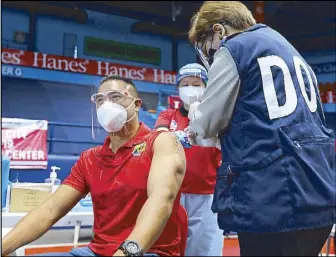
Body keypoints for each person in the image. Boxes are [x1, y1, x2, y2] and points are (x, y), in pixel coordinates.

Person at [185, 1, 336, 256]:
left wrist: (195, 116)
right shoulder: (289, 49)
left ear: (219, 30)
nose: (209, 53)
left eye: (206, 45)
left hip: (273, 196)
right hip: (318, 190)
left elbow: (206, 123)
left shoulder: (235, 47)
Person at [1, 75, 187, 257]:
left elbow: (161, 200)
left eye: (115, 97)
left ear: (137, 104)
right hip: (96, 251)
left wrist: (126, 253)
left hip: (147, 251)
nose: (107, 105)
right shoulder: (90, 159)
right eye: (100, 100)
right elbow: (50, 210)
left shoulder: (162, 142)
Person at [154, 63, 224, 256]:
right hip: (173, 192)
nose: (190, 88)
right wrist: (179, 136)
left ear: (206, 87)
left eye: (196, 83)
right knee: (171, 247)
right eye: (185, 84)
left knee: (205, 249)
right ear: (178, 88)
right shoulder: (168, 115)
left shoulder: (218, 117)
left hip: (208, 194)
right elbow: (159, 136)